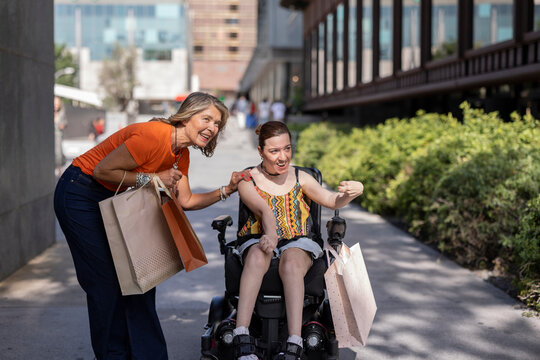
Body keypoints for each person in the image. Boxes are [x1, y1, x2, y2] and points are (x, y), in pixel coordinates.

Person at [54, 92, 250, 360]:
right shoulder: (153, 136)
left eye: (217, 124)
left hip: (117, 198)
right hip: (80, 193)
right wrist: (153, 178)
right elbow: (102, 171)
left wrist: (227, 189)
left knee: (141, 280)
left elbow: (187, 201)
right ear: (187, 116)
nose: (212, 128)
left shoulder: (181, 154)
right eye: (207, 119)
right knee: (106, 284)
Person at [232, 121, 364, 360]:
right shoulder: (246, 179)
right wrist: (270, 235)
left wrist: (350, 193)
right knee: (258, 254)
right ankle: (242, 334)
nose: (283, 157)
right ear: (260, 151)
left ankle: (294, 340)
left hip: (299, 240)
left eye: (287, 148)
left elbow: (331, 200)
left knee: (291, 261)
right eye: (274, 151)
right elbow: (263, 210)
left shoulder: (301, 177)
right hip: (258, 237)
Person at [54, 96, 67, 177]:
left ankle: (59, 168)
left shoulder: (62, 113)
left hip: (58, 135)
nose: (56, 106)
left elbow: (65, 122)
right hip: (50, 136)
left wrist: (63, 125)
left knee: (58, 152)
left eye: (57, 104)